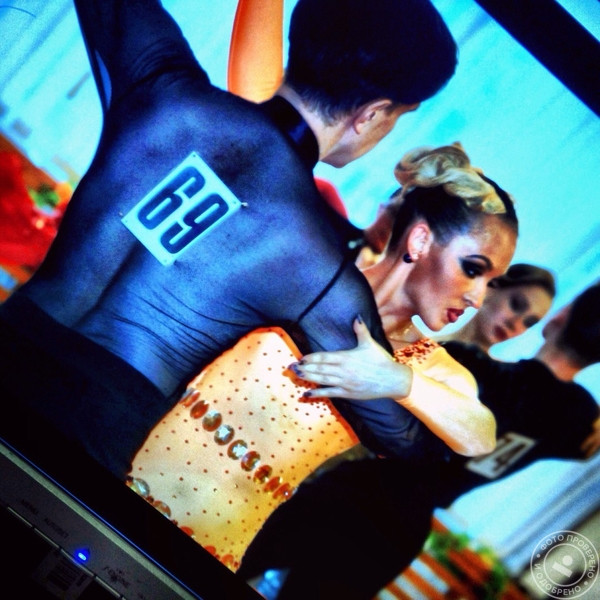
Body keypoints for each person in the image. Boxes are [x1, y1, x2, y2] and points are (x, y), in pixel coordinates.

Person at [0, 0, 459, 480]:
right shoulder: (315, 263)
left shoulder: (164, 87)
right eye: (397, 117)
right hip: (81, 441)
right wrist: (401, 380)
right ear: (372, 114)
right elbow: (406, 440)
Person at [128, 142, 519, 569]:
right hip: (124, 486)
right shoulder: (310, 277)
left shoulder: (427, 363)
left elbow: (480, 435)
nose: (478, 298)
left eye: (490, 282)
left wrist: (396, 380)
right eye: (473, 269)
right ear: (421, 240)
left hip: (210, 550)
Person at [238, 283, 600, 600]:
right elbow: (588, 447)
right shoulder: (581, 419)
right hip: (401, 533)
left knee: (233, 563)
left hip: (360, 490)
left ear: (559, 318)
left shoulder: (475, 368)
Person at [437, 262, 556, 352]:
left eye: (529, 323)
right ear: (492, 286)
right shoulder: (429, 345)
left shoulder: (499, 378)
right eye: (516, 305)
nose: (515, 324)